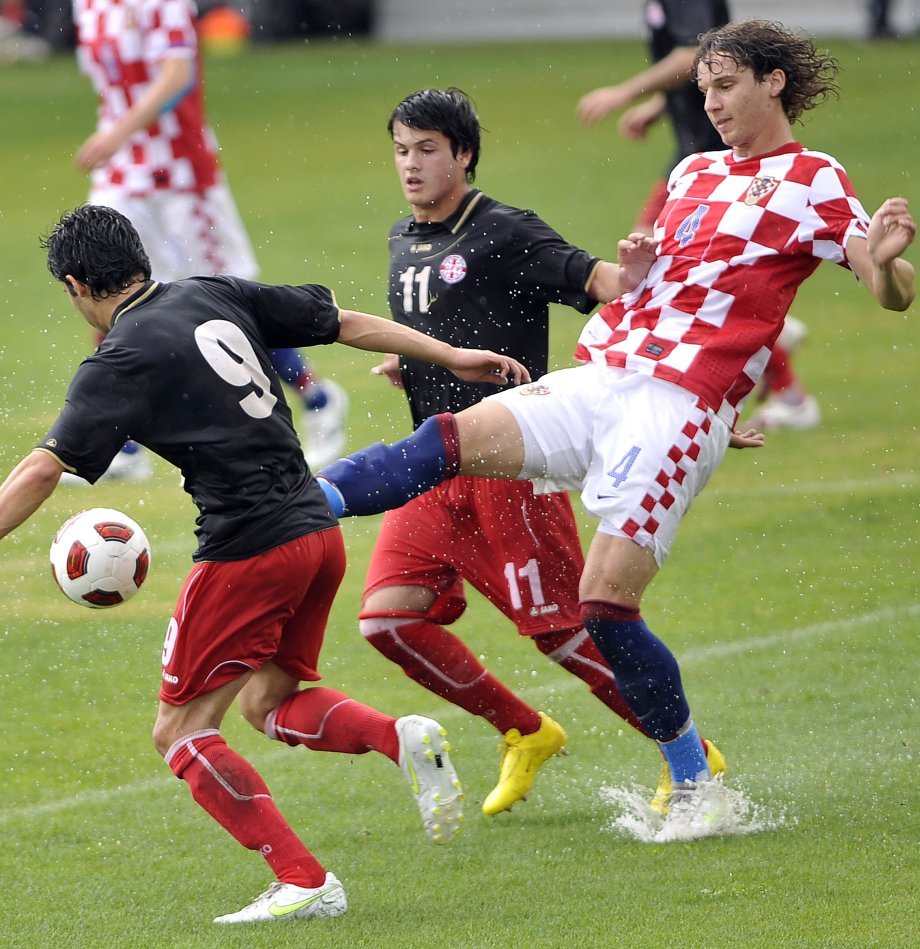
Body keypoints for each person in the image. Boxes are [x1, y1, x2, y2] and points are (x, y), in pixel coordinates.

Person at [317, 20, 915, 840]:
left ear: (774, 82)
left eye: (726, 86)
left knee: (602, 604)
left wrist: (887, 261)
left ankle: (695, 778)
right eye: (703, 89)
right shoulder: (693, 172)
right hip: (605, 375)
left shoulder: (814, 179)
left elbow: (888, 286)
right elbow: (658, 287)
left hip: (678, 405)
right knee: (448, 437)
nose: (711, 104)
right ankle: (300, 502)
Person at [0, 204, 533, 922]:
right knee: (268, 701)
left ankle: (303, 879)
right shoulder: (210, 291)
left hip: (249, 549)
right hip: (317, 532)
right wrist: (449, 354)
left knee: (180, 731)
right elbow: (342, 322)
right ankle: (399, 737)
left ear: (76, 286)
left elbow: (44, 467)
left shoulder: (118, 359)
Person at [356, 86, 727, 820]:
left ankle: (688, 751)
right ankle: (524, 730)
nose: (411, 164)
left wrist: (636, 279)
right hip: (435, 467)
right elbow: (451, 323)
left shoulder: (504, 230)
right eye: (401, 150)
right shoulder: (405, 238)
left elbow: (600, 282)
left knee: (564, 632)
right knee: (387, 621)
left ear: (464, 154)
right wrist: (415, 364)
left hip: (509, 465)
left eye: (427, 149)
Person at [71, 0, 347, 479]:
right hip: (122, 174)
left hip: (181, 174)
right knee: (107, 292)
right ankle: (124, 447)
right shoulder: (88, 5)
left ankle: (317, 397)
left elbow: (177, 76)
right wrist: (117, 136)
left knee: (227, 302)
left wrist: (119, 131)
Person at [576, 0, 820, 432]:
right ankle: (785, 378)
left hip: (717, 156)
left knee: (663, 270)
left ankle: (780, 386)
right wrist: (660, 105)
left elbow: (693, 54)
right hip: (695, 151)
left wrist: (624, 92)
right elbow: (709, 62)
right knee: (664, 267)